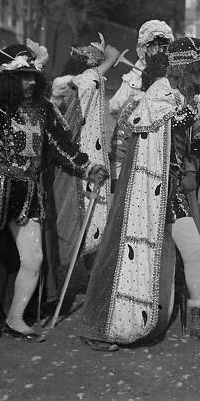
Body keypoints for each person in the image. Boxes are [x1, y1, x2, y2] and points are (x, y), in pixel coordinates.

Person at [0, 41, 108, 343]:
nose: (27, 83)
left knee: (33, 259)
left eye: (30, 76)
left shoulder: (44, 109)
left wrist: (88, 167)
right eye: (20, 76)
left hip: (27, 193)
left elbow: (61, 145)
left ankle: (16, 318)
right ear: (9, 78)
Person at [80, 37, 200, 351]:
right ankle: (107, 324)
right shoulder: (160, 90)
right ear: (187, 67)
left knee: (195, 252)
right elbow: (174, 122)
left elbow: (180, 140)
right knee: (128, 255)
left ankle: (198, 321)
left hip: (171, 189)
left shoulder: (180, 94)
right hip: (149, 192)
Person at [49, 36, 121, 266]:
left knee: (96, 220)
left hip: (93, 158)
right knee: (79, 218)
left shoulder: (86, 80)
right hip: (78, 160)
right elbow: (90, 82)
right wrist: (109, 60)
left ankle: (92, 276)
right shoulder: (71, 83)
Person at [108, 20, 174, 184]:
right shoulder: (135, 75)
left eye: (163, 46)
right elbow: (115, 106)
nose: (158, 50)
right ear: (145, 48)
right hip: (136, 143)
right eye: (154, 45)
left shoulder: (173, 73)